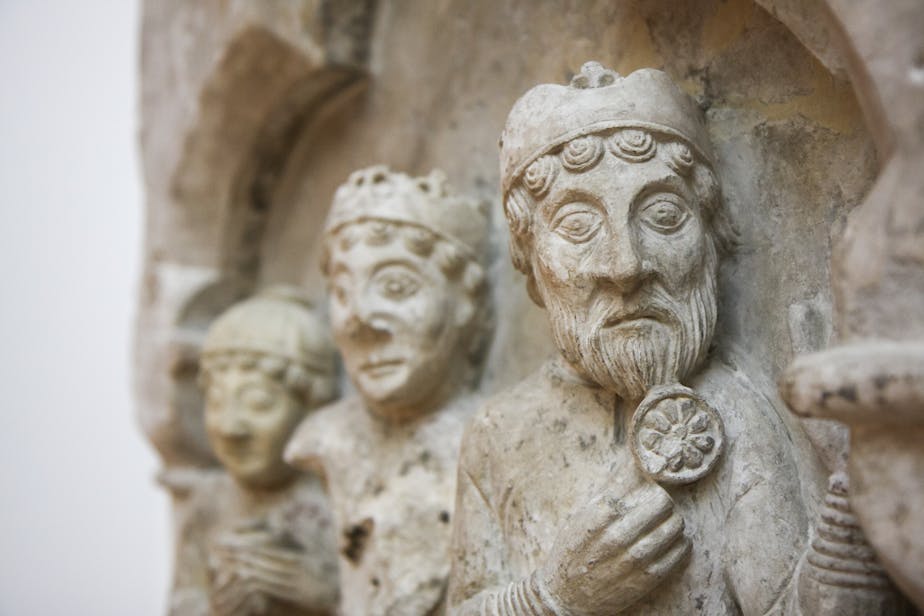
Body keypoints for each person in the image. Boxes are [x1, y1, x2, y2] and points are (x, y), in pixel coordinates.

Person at [447, 62, 900, 615]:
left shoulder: (734, 413)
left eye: (663, 215)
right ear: (531, 263)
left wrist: (848, 488)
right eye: (577, 226)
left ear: (712, 242)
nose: (625, 264)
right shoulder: (500, 436)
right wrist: (553, 597)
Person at [285, 166, 492, 616]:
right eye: (342, 292)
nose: (360, 320)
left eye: (396, 287)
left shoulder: (500, 444)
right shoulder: (327, 440)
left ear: (465, 303)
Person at [169, 286, 340, 616]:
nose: (229, 427)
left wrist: (328, 595)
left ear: (313, 407)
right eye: (216, 402)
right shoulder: (208, 505)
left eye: (259, 403)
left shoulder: (342, 500)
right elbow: (182, 601)